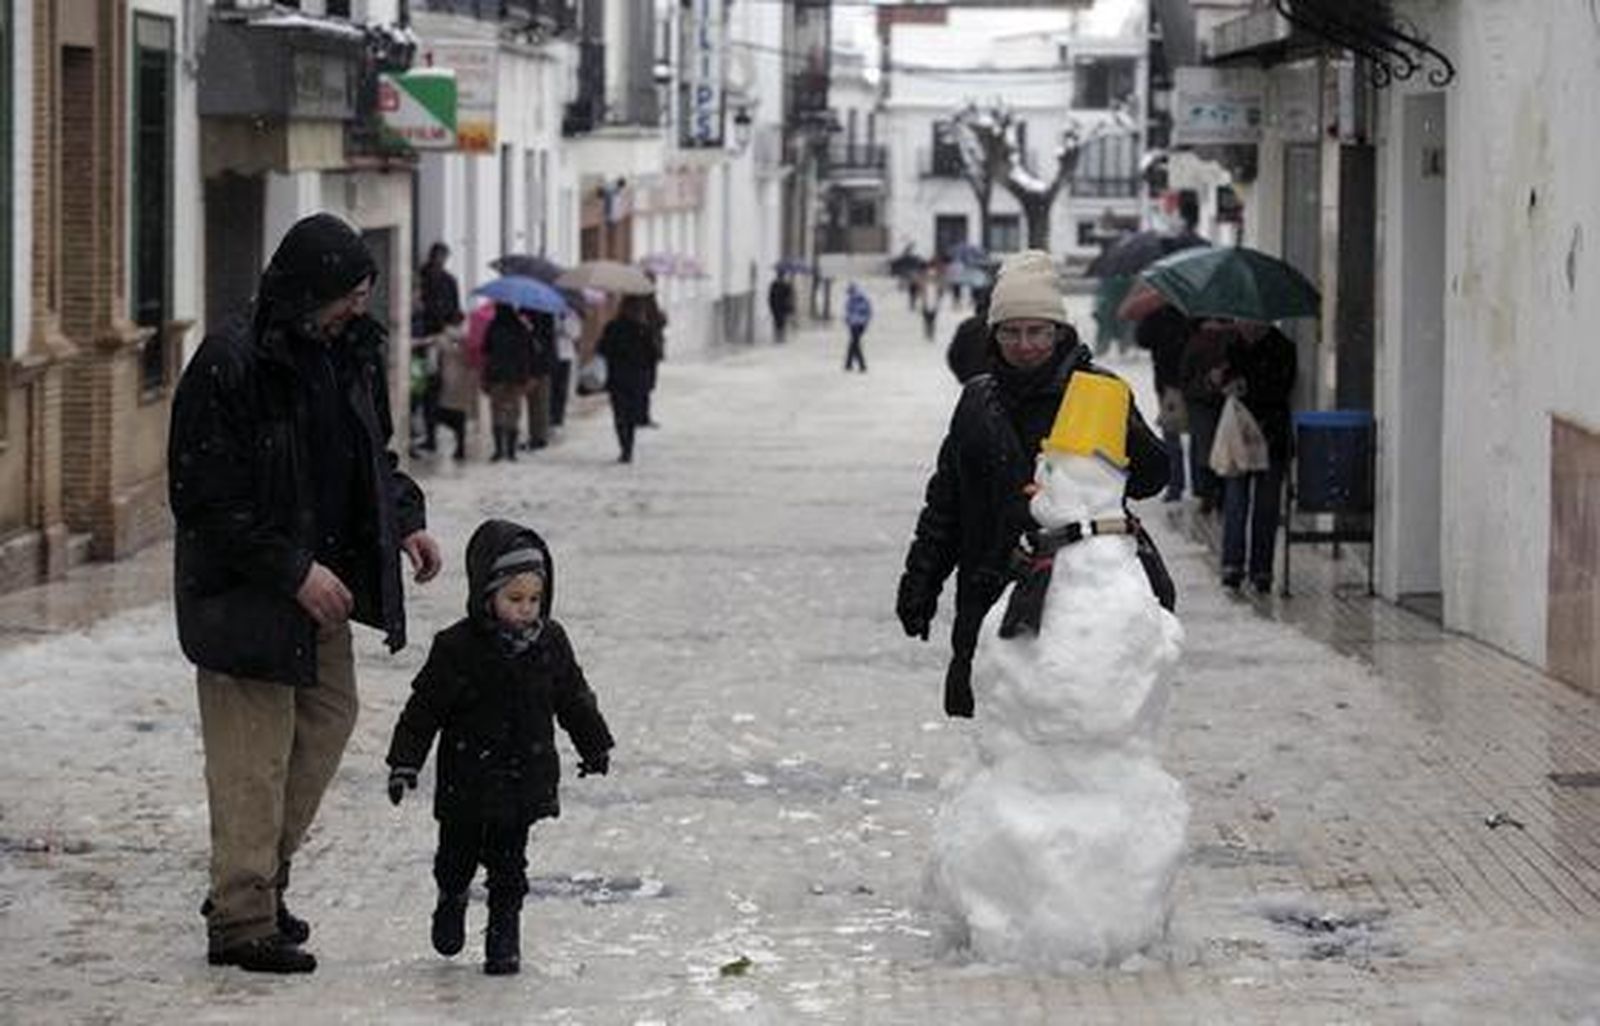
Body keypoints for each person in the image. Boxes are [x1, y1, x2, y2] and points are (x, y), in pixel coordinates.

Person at [168, 212, 442, 974]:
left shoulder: (344, 355)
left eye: (364, 292)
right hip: (246, 600)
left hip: (320, 595)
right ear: (307, 289)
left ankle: (249, 880)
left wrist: (405, 522)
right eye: (349, 293)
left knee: (325, 722)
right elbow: (205, 500)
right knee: (252, 763)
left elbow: (370, 460)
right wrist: (292, 569)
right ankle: (242, 920)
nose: (360, 307)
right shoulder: (230, 364)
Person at [894, 250, 1169, 718]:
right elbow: (947, 503)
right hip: (987, 587)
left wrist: (1126, 432)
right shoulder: (977, 400)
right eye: (1011, 332)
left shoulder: (1096, 392)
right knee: (999, 729)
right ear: (994, 334)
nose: (1025, 344)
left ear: (1058, 331)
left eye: (1037, 331)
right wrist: (920, 582)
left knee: (1065, 725)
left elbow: (1151, 479)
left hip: (1072, 599)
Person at [386, 519, 614, 977]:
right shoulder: (457, 647)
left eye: (534, 599)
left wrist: (593, 745)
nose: (526, 609)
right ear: (486, 594)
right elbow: (424, 709)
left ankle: (503, 935)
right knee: (456, 858)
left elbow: (573, 697)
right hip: (467, 781)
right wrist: (404, 762)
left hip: (522, 778)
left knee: (510, 867)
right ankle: (451, 899)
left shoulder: (551, 642)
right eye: (515, 599)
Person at [1217, 320, 1297, 593]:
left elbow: (1281, 390)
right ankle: (1232, 566)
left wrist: (1247, 386)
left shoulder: (1283, 348)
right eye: (1240, 321)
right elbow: (1220, 388)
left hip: (1271, 438)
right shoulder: (1230, 347)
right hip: (1239, 439)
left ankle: (1261, 570)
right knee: (1235, 504)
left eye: (1249, 322)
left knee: (1266, 508)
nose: (1243, 325)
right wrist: (1223, 381)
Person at [1135, 303, 1196, 502]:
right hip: (1175, 384)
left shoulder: (1183, 314)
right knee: (1181, 437)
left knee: (1179, 437)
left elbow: (1143, 338)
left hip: (1182, 384)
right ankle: (1185, 485)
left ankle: (1181, 485)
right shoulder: (1186, 312)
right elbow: (1142, 338)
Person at [1179, 318, 1232, 513]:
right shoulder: (1232, 341)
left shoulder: (1196, 342)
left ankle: (1207, 495)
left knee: (1205, 449)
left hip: (1202, 404)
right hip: (1223, 404)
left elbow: (1184, 377)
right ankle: (1221, 495)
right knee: (1223, 449)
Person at [415, 243, 462, 453]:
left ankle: (435, 433)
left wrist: (449, 327)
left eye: (444, 257)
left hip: (441, 341)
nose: (440, 261)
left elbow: (454, 310)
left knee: (437, 390)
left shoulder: (449, 281)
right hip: (422, 342)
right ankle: (429, 433)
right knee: (425, 391)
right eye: (438, 257)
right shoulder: (421, 278)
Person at [597, 295, 657, 463]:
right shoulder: (644, 329)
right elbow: (653, 355)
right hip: (637, 379)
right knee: (630, 414)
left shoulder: (613, 326)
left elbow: (602, 349)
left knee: (620, 413)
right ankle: (628, 447)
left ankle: (624, 447)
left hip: (617, 377)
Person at [483, 303, 536, 462]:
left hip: (496, 376)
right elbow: (529, 353)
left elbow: (485, 349)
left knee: (497, 411)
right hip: (516, 377)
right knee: (513, 412)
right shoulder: (521, 328)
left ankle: (499, 450)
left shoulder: (493, 327)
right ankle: (511, 451)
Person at [522, 310, 556, 451]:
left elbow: (541, 343)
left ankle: (539, 437)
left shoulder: (541, 323)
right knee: (536, 402)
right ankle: (536, 435)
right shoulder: (543, 319)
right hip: (540, 365)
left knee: (539, 402)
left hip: (540, 365)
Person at [945, 285, 993, 383]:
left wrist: (964, 378)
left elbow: (954, 356)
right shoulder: (1005, 327)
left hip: (972, 380)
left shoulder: (967, 326)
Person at [843, 283, 872, 373]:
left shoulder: (852, 300)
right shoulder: (863, 298)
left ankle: (861, 365)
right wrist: (866, 321)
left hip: (855, 324)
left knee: (855, 344)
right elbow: (869, 311)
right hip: (861, 324)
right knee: (853, 343)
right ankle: (848, 364)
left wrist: (848, 320)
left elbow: (849, 312)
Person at [768, 272, 796, 343]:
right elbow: (790, 297)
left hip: (778, 306)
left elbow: (771, 296)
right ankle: (780, 337)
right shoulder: (783, 285)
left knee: (779, 321)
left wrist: (771, 305)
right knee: (780, 321)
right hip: (780, 306)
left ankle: (779, 336)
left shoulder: (775, 284)